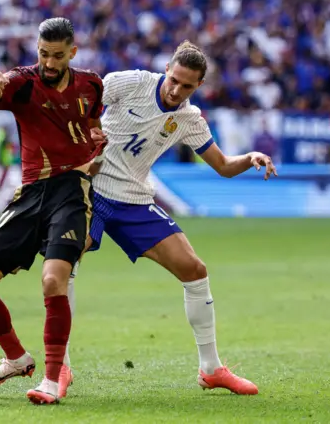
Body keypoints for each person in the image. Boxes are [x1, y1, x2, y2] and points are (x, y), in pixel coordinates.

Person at [62, 40, 279, 397]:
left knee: (194, 270)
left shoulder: (189, 120)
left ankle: (210, 369)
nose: (177, 90)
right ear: (166, 69)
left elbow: (223, 166)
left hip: (132, 199)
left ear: (198, 87)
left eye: (187, 86)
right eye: (174, 80)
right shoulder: (129, 83)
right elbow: (82, 102)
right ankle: (60, 368)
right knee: (63, 266)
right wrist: (88, 132)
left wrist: (250, 156)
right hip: (90, 190)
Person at [0, 17, 105, 405]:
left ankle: (51, 378)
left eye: (57, 55)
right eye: (43, 53)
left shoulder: (91, 85)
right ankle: (16, 359)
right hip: (29, 194)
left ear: (71, 52)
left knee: (53, 281)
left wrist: (97, 147)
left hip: (72, 192)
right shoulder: (22, 82)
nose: (49, 62)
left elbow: (93, 128)